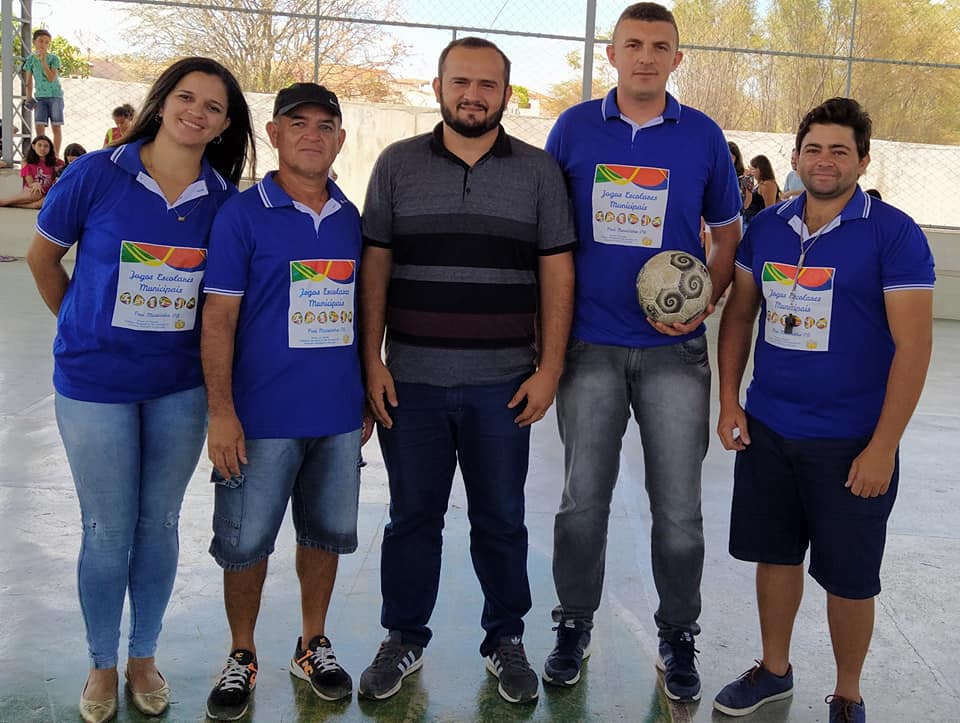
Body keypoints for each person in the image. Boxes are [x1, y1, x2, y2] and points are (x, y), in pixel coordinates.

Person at [25, 57, 254, 723]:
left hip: (178, 389)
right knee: (106, 528)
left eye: (213, 106)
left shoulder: (224, 202)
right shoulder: (98, 173)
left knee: (158, 524)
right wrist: (80, 323)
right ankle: (101, 662)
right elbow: (42, 257)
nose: (197, 112)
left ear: (225, 125)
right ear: (162, 101)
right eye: (187, 96)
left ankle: (142, 656)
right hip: (94, 385)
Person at [357, 37, 576, 705]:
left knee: (502, 519)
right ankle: (403, 636)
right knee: (411, 518)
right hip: (412, 382)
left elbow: (557, 274)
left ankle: (506, 638)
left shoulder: (539, 172)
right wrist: (371, 359)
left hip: (502, 384)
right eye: (460, 82)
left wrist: (550, 369)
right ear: (438, 88)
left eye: (487, 84)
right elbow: (375, 267)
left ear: (507, 94)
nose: (473, 95)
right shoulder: (396, 165)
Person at [541, 2, 742, 703]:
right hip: (589, 346)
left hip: (673, 355)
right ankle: (573, 623)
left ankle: (678, 633)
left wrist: (704, 300)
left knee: (679, 509)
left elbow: (726, 232)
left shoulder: (703, 136)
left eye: (660, 46)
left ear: (677, 59)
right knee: (581, 502)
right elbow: (546, 233)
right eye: (634, 44)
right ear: (613, 54)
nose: (647, 57)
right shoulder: (572, 129)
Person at [713, 98, 934, 723]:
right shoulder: (768, 227)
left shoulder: (894, 234)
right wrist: (730, 400)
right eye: (814, 148)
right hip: (770, 430)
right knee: (776, 555)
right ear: (795, 156)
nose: (825, 160)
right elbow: (740, 315)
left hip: (852, 441)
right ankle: (773, 670)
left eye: (840, 150)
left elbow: (914, 348)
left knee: (850, 576)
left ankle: (848, 694)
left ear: (863, 160)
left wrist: (883, 446)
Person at [201, 82, 372, 721]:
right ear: (273, 134)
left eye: (325, 126)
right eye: (297, 123)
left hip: (336, 415)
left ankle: (311, 644)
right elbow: (218, 320)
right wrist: (222, 411)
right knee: (245, 544)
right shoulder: (241, 216)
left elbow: (360, 312)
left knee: (325, 536)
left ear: (340, 140)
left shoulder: (351, 218)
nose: (312, 136)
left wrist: (362, 393)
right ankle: (242, 653)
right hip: (260, 418)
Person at [22, 29, 65, 157]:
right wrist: (29, 98)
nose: (43, 44)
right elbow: (28, 81)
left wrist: (44, 61)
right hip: (40, 97)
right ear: (34, 42)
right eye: (41, 41)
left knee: (56, 127)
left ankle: (55, 155)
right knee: (39, 126)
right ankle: (41, 155)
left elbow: (51, 78)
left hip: (55, 96)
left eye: (47, 42)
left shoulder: (54, 58)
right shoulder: (30, 60)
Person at [0, 134, 62, 208]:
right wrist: (35, 184)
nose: (42, 148)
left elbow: (67, 167)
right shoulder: (26, 161)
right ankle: (5, 201)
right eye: (39, 145)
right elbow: (30, 182)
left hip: (47, 192)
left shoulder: (56, 162)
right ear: (33, 146)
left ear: (50, 148)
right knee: (36, 193)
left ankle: (10, 204)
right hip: (32, 190)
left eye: (46, 146)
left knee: (44, 202)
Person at [743, 154, 781, 225]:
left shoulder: (768, 184)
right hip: (751, 219)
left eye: (753, 169)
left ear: (760, 169)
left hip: (759, 222)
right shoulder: (760, 183)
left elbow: (769, 209)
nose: (751, 172)